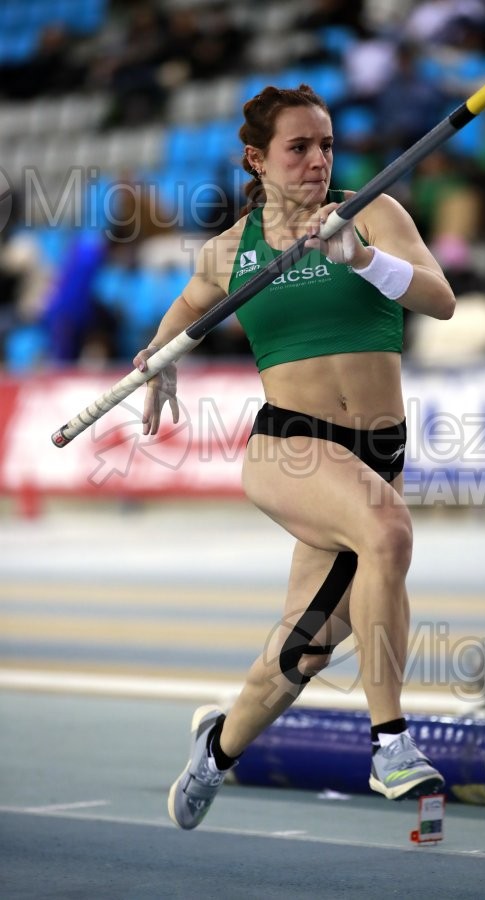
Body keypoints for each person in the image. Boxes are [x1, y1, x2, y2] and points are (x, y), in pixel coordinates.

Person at [133, 84, 456, 830]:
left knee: (306, 648)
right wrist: (164, 355)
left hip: (378, 452)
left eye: (327, 145)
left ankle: (217, 749)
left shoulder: (371, 210)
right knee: (389, 534)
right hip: (291, 446)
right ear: (257, 158)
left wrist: (364, 258)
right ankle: (391, 743)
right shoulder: (229, 249)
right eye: (299, 148)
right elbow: (187, 313)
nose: (318, 161)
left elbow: (440, 300)